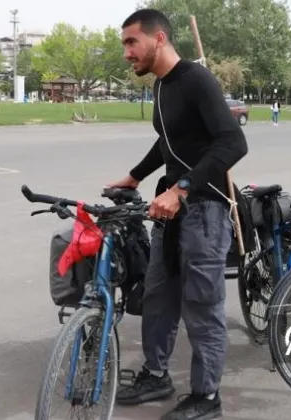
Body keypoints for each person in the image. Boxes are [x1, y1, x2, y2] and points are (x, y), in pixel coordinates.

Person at [108, 8, 248, 420]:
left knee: (201, 307)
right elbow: (168, 142)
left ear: (159, 39)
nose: (126, 53)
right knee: (158, 295)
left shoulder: (196, 80)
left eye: (132, 42)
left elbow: (233, 143)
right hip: (170, 209)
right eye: (125, 45)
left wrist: (182, 188)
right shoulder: (162, 87)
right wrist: (133, 177)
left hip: (205, 209)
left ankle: (207, 398)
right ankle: (156, 374)